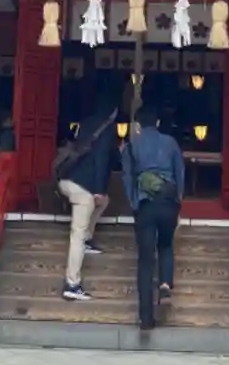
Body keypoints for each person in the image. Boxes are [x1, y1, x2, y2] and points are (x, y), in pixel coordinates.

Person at [120, 104, 184, 331]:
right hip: (168, 202)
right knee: (166, 245)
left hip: (145, 204)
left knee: (145, 261)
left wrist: (134, 202)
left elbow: (127, 178)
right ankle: (165, 285)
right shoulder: (171, 143)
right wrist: (178, 200)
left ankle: (146, 319)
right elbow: (180, 173)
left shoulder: (131, 146)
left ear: (138, 125)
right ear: (157, 122)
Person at [59, 93, 118, 301]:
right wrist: (98, 189)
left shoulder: (86, 123)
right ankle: (72, 284)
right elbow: (101, 159)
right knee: (77, 234)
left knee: (103, 202)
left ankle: (88, 238)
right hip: (82, 188)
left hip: (66, 179)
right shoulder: (107, 128)